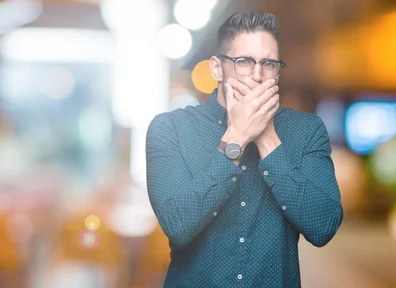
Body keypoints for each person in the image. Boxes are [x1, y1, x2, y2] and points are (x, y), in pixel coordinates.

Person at [145, 11, 343, 287]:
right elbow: (177, 225)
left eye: (269, 63)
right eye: (244, 62)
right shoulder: (170, 129)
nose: (258, 75)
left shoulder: (306, 130)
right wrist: (236, 137)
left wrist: (267, 137)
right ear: (217, 68)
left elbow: (323, 227)